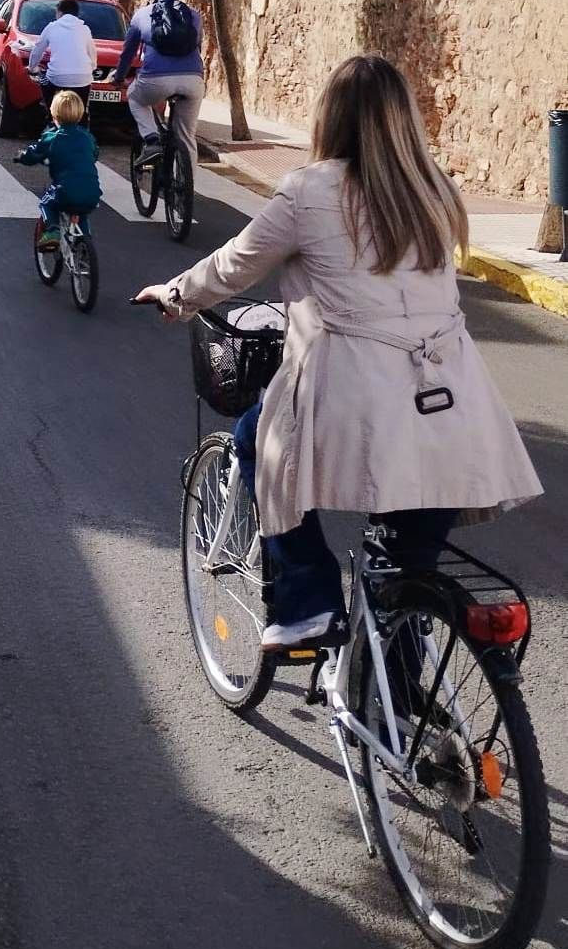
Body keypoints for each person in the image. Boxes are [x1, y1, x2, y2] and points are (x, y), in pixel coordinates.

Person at [135, 55, 543, 651]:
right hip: (455, 406)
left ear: (331, 118)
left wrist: (176, 295)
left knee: (254, 440)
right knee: (404, 574)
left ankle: (308, 603)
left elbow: (233, 266)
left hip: (355, 397)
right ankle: (409, 730)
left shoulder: (309, 191)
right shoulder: (435, 191)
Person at [113, 0, 205, 168]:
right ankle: (186, 189)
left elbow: (128, 53)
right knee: (187, 136)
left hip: (155, 78)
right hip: (193, 79)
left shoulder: (142, 14)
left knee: (135, 97)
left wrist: (119, 78)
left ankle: (152, 140)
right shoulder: (193, 15)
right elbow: (198, 45)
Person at [14, 89, 100, 249]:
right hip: (93, 193)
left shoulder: (52, 137)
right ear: (80, 114)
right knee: (81, 211)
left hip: (65, 190)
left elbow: (33, 154)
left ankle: (52, 230)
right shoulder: (87, 136)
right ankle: (85, 244)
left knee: (46, 203)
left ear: (54, 115)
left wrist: (22, 157)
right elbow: (95, 154)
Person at [28, 0, 98, 116]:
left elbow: (37, 50)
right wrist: (91, 68)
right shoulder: (85, 29)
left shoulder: (52, 27)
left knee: (43, 80)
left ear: (60, 12)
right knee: (81, 110)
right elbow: (92, 52)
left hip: (57, 78)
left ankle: (50, 113)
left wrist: (32, 68)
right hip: (83, 79)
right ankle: (82, 121)